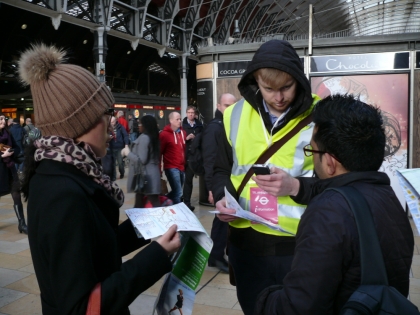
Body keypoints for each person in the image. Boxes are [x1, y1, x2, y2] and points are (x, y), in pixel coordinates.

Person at [18, 43, 180, 315]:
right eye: (106, 113)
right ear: (80, 122)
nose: (113, 122)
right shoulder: (62, 192)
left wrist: (150, 223)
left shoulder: (69, 171)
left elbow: (97, 247)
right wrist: (156, 257)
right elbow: (80, 307)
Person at [253, 94, 414, 314]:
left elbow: (299, 306)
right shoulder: (387, 196)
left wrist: (263, 297)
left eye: (311, 151)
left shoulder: (328, 211)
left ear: (329, 162)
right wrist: (293, 186)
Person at [213, 39, 321, 314]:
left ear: (299, 79)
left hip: (296, 244)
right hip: (244, 242)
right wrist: (222, 200)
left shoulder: (320, 115)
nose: (279, 97)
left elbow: (337, 182)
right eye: (268, 88)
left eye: (287, 87)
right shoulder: (234, 114)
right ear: (255, 82)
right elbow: (222, 169)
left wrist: (296, 186)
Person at [202, 93, 237, 273]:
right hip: (220, 181)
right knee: (221, 221)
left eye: (232, 105)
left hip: (230, 180)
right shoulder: (215, 128)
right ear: (218, 105)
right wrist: (211, 188)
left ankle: (217, 254)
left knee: (225, 221)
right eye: (225, 105)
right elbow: (209, 160)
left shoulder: (229, 124)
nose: (229, 109)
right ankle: (215, 255)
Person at [122, 115, 161, 208]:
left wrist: (127, 153)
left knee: (153, 205)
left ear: (146, 125)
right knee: (140, 203)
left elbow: (141, 160)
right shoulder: (153, 136)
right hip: (151, 175)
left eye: (140, 123)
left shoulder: (144, 138)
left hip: (146, 177)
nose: (138, 126)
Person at [0, 115, 28, 234]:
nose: (3, 121)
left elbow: (17, 149)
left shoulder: (8, 133)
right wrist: (2, 156)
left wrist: (11, 152)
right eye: (0, 119)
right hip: (0, 170)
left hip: (9, 168)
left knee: (16, 193)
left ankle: (22, 224)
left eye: (3, 119)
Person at [160, 112, 186, 204]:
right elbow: (160, 152)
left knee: (176, 191)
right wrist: (159, 169)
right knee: (178, 192)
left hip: (182, 166)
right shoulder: (164, 135)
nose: (179, 121)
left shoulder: (183, 132)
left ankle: (163, 200)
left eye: (180, 119)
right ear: (171, 120)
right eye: (177, 119)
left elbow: (183, 149)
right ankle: (178, 211)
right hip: (171, 167)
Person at [182, 106, 204, 211]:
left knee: (189, 179)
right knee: (187, 180)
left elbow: (204, 138)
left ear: (195, 114)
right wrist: (185, 139)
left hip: (196, 156)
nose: (191, 114)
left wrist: (197, 139)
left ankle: (186, 201)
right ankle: (185, 201)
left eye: (192, 112)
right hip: (185, 156)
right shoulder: (182, 125)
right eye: (189, 112)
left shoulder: (199, 125)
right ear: (186, 113)